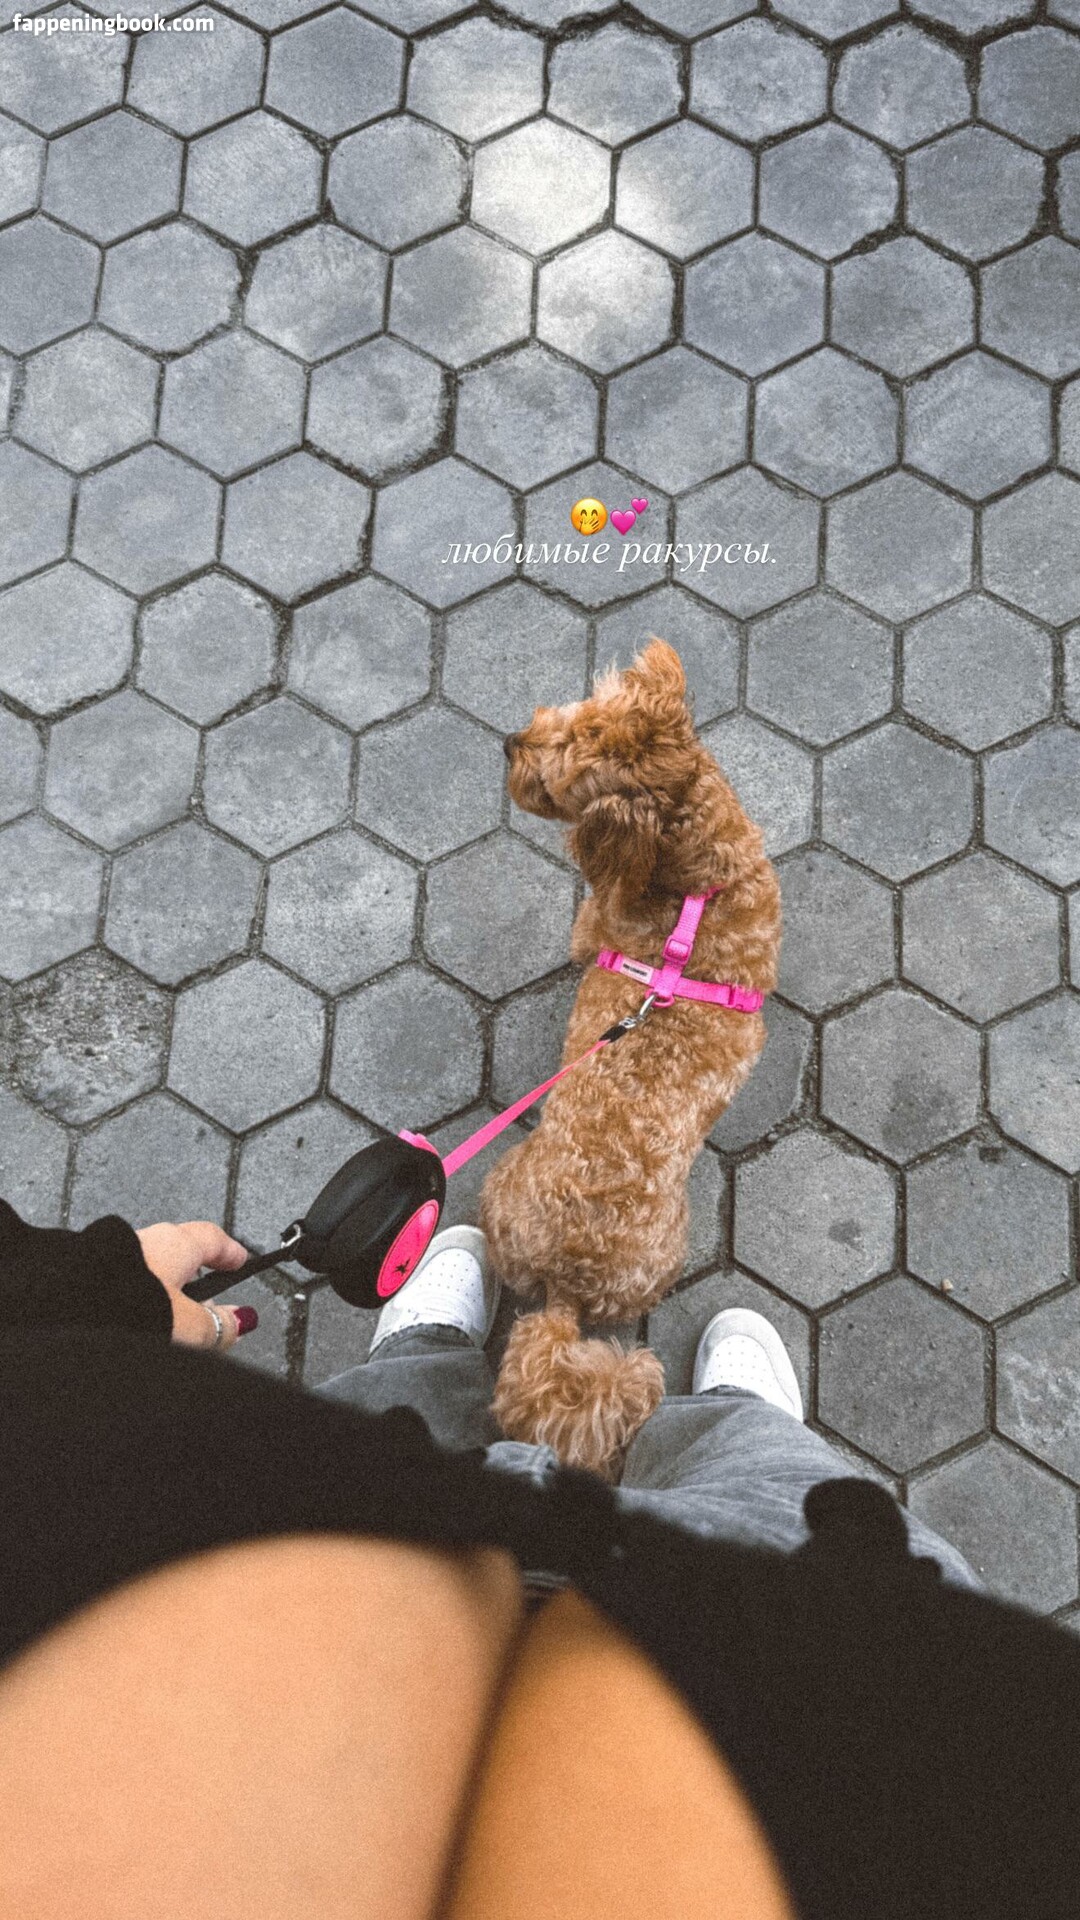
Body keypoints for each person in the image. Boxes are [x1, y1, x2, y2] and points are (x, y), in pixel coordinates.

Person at [1, 1195, 1079, 1920]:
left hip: (265, 1503)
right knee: (770, 1486)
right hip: (814, 1683)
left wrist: (70, 1298)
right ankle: (736, 1427)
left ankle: (426, 1352)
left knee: (402, 1406)